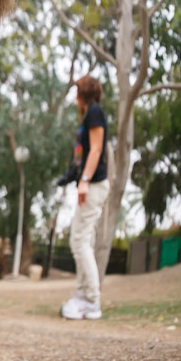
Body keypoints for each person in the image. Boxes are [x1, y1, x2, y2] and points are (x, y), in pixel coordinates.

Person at [59, 75, 110, 320]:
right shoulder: (89, 114)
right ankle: (82, 295)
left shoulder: (95, 112)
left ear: (83, 94)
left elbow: (97, 148)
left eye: (77, 91)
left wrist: (85, 180)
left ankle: (91, 300)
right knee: (83, 241)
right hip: (91, 183)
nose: (75, 97)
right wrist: (73, 176)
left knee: (78, 241)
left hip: (94, 184)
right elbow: (86, 151)